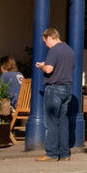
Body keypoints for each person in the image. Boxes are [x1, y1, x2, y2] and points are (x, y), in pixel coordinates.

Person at [34, 27, 75, 161]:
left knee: (51, 122)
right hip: (67, 88)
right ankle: (65, 153)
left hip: (54, 89)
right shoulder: (69, 50)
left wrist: (41, 66)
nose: (45, 44)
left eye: (45, 41)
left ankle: (51, 153)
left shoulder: (54, 50)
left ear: (50, 37)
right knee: (63, 121)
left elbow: (49, 69)